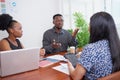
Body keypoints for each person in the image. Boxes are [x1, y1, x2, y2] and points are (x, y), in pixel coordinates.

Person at [67, 12, 120, 80]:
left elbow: (76, 77)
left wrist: (69, 65)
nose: (88, 28)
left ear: (96, 28)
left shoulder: (91, 49)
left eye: (89, 24)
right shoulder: (116, 46)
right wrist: (84, 56)